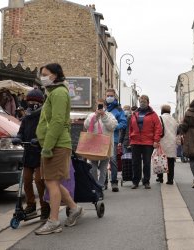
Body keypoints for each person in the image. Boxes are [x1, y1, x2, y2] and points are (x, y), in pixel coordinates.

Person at [35, 63, 84, 235]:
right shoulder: (54, 92)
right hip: (55, 143)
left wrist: (47, 146)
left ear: (54, 75)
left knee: (51, 183)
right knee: (54, 181)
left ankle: (54, 221)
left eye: (45, 74)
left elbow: (56, 121)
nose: (42, 76)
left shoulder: (59, 93)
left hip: (56, 145)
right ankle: (74, 208)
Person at [12, 89, 50, 220]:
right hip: (28, 152)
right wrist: (18, 137)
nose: (31, 103)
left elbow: (46, 132)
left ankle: (45, 206)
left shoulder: (43, 116)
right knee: (26, 180)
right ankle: (31, 204)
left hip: (39, 153)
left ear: (40, 103)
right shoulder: (26, 117)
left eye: (34, 101)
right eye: (30, 101)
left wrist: (39, 140)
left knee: (39, 180)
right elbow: (21, 131)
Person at [129, 95, 162, 189]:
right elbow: (131, 127)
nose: (142, 103)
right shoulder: (135, 114)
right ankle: (135, 181)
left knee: (147, 162)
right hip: (135, 142)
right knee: (135, 163)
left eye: (144, 101)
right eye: (141, 101)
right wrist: (131, 138)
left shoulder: (153, 114)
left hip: (148, 142)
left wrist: (156, 140)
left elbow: (158, 128)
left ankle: (146, 181)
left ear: (148, 102)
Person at [84, 99, 118, 188]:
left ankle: (101, 186)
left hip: (105, 146)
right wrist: (96, 116)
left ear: (105, 106)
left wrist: (103, 116)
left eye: (102, 105)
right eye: (98, 105)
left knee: (103, 169)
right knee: (93, 168)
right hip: (93, 146)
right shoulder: (91, 115)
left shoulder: (110, 115)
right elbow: (86, 125)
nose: (100, 107)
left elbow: (112, 126)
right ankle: (95, 185)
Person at [104, 88, 127, 192]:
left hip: (114, 137)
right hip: (102, 137)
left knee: (113, 159)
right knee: (103, 159)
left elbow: (124, 123)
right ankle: (103, 182)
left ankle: (114, 182)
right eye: (107, 95)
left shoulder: (118, 109)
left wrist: (114, 127)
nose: (109, 97)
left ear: (114, 96)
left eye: (111, 95)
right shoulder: (102, 107)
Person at [156, 105, 178, 185]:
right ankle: (170, 180)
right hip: (172, 142)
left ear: (162, 110)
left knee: (161, 159)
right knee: (171, 161)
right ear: (169, 111)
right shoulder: (174, 120)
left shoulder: (159, 118)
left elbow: (158, 129)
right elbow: (176, 131)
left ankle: (160, 178)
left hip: (162, 141)